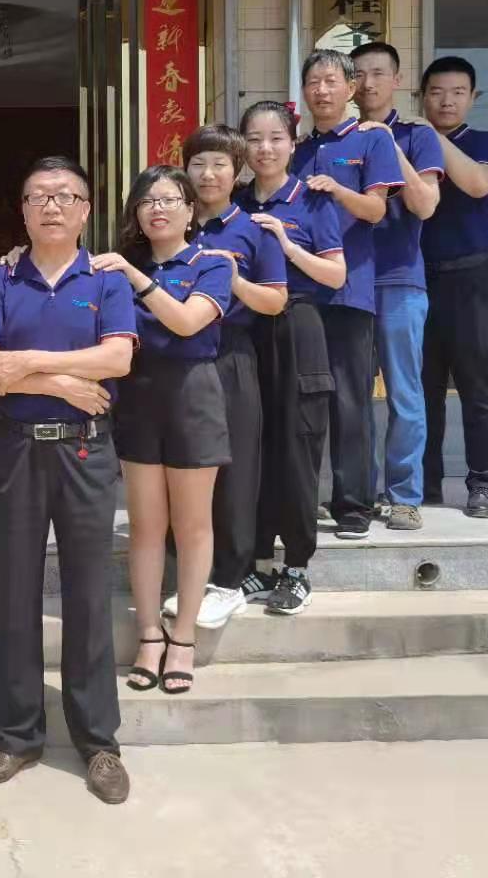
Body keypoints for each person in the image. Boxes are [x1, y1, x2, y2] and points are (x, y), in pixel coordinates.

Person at [0, 155, 136, 806]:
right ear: (23, 210)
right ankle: (17, 736)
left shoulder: (107, 278)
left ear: (86, 210)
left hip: (84, 453)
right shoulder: (2, 277)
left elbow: (117, 357)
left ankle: (97, 741)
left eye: (66, 196)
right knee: (11, 590)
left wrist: (29, 364)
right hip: (13, 449)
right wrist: (63, 381)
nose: (53, 206)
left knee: (88, 594)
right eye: (39, 196)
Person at [89, 166, 230, 696]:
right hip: (139, 398)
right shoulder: (119, 269)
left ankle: (184, 637)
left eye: (170, 199)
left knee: (193, 526)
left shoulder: (212, 263)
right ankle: (150, 633)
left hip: (193, 396)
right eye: (148, 201)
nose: (158, 209)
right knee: (146, 526)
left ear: (191, 210)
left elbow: (187, 322)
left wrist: (134, 277)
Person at [173, 125, 290, 626]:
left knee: (235, 469)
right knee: (181, 465)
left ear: (237, 170)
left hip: (232, 356)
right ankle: (184, 573)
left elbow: (276, 301)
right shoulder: (168, 221)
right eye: (199, 163)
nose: (208, 174)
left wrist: (233, 279)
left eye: (220, 164)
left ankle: (230, 577)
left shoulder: (253, 230)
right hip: (175, 358)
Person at [237, 102, 346, 615]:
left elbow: (336, 275)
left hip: (299, 327)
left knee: (299, 451)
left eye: (276, 138)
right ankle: (258, 564)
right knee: (253, 450)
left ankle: (297, 568)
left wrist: (286, 245)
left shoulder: (312, 200)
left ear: (292, 143)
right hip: (246, 331)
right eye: (254, 139)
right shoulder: (234, 203)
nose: (265, 148)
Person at [290, 49, 403, 540]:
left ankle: (354, 505)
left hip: (349, 291)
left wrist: (337, 190)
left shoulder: (371, 140)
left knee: (349, 402)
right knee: (300, 401)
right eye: (313, 82)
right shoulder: (293, 149)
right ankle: (301, 501)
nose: (321, 90)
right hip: (297, 295)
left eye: (331, 81)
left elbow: (376, 210)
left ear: (350, 88)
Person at [352, 42, 444, 533]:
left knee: (405, 394)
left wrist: (388, 145)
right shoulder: (338, 138)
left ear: (397, 80)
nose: (368, 83)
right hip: (347, 283)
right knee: (351, 396)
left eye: (378, 73)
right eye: (359, 74)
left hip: (400, 281)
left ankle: (405, 496)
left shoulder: (417, 135)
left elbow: (425, 204)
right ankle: (358, 494)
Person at [420, 56, 488, 519]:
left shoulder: (486, 142)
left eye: (457, 93)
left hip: (470, 278)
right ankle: (423, 485)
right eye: (436, 92)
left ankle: (482, 485)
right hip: (417, 280)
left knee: (478, 388)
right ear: (422, 96)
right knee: (422, 391)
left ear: (473, 97)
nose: (446, 101)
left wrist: (430, 136)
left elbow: (477, 183)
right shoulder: (405, 143)